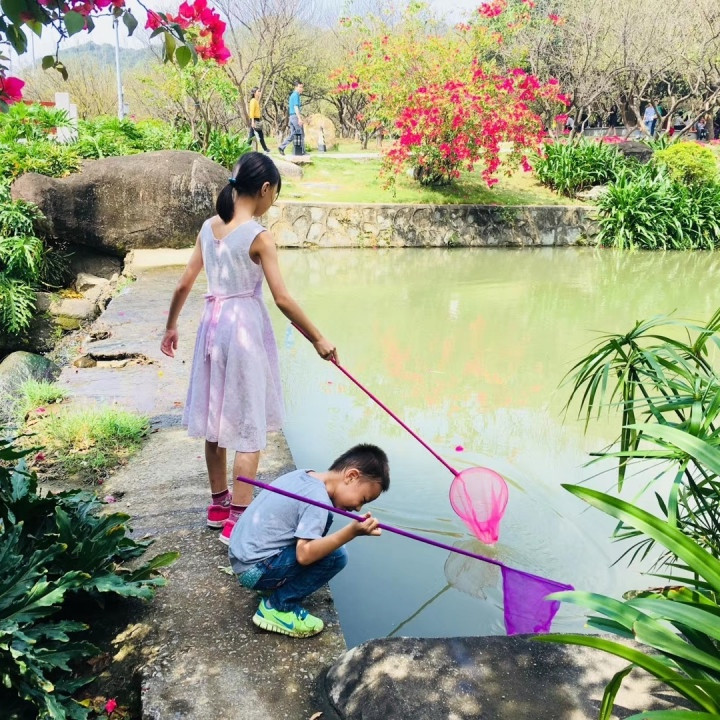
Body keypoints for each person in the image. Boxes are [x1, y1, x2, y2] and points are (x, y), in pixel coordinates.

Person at [160, 152, 337, 544]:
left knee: (215, 417)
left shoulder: (209, 228)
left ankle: (218, 505)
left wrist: (171, 326)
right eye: (275, 194)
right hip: (242, 330)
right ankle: (237, 519)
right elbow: (283, 299)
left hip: (212, 327)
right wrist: (318, 339)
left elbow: (184, 282)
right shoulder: (259, 236)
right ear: (265, 188)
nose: (273, 201)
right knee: (248, 424)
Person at [229, 443, 390, 637]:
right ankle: (278, 607)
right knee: (336, 556)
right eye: (363, 499)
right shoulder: (318, 501)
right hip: (254, 570)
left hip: (241, 558)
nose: (358, 508)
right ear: (351, 476)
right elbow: (304, 555)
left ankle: (272, 587)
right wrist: (351, 532)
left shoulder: (304, 475)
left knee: (323, 529)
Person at [278, 80, 304, 156]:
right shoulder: (296, 95)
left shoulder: (292, 95)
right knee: (301, 134)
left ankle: (282, 147)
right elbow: (296, 107)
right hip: (295, 117)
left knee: (293, 135)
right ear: (296, 87)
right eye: (300, 87)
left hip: (291, 117)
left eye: (302, 87)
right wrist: (299, 118)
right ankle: (301, 151)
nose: (301, 89)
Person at [247, 87, 270, 153]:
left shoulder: (256, 101)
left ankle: (265, 149)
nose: (259, 92)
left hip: (256, 119)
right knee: (253, 135)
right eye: (258, 91)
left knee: (254, 135)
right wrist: (252, 121)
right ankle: (265, 149)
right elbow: (251, 112)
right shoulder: (253, 101)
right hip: (254, 119)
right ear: (254, 93)